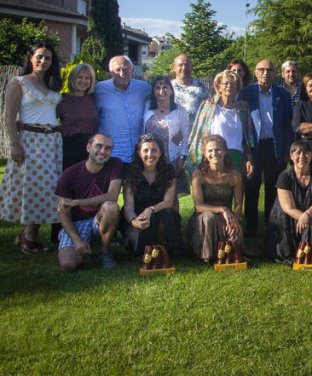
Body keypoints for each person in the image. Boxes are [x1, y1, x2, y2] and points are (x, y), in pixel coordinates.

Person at [1, 42, 63, 254]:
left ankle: (29, 236)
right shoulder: (18, 83)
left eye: (48, 58)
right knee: (32, 186)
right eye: (40, 57)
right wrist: (14, 144)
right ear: (30, 58)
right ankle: (29, 238)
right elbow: (8, 117)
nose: (43, 61)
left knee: (48, 189)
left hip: (51, 141)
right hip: (30, 140)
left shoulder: (52, 85)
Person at [238, 59, 293, 237]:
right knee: (252, 186)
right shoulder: (245, 93)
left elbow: (287, 124)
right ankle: (251, 227)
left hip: (274, 146)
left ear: (275, 73)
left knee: (273, 187)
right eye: (261, 69)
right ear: (255, 72)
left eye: (269, 70)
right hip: (254, 146)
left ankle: (271, 226)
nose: (265, 73)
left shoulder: (282, 94)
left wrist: (286, 152)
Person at [55, 133, 123, 271]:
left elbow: (112, 196)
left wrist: (76, 202)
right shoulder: (69, 174)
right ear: (88, 147)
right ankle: (85, 243)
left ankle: (105, 251)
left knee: (111, 207)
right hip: (77, 223)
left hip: (100, 218)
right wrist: (77, 240)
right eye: (99, 146)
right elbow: (63, 213)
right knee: (68, 265)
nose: (103, 151)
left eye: (108, 148)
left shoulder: (115, 164)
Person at [266, 140, 312, 264]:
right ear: (291, 156)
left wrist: (307, 214)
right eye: (298, 153)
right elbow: (288, 208)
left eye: (306, 153)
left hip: (310, 211)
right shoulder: (284, 177)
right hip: (287, 216)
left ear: (311, 156)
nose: (302, 157)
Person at [120, 134, 186, 257]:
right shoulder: (130, 172)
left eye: (154, 150)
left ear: (160, 153)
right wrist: (134, 221)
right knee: (140, 247)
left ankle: (167, 245)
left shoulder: (168, 171)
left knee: (167, 215)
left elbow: (168, 202)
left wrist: (150, 210)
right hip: (137, 216)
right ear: (139, 153)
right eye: (145, 150)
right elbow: (128, 205)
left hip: (160, 213)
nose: (150, 154)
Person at [187, 135, 246, 263]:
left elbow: (238, 205)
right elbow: (199, 206)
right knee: (209, 217)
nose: (214, 153)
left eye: (218, 150)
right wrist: (222, 209)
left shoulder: (235, 175)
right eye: (210, 150)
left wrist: (235, 220)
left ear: (225, 152)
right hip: (204, 215)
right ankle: (207, 254)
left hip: (226, 216)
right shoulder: (198, 174)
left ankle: (230, 253)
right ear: (204, 154)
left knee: (234, 229)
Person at [187, 70, 254, 175]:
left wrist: (249, 159)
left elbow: (248, 138)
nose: (229, 86)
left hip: (237, 158)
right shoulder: (208, 105)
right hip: (214, 157)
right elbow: (198, 133)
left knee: (236, 190)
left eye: (233, 83)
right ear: (218, 86)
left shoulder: (243, 108)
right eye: (226, 83)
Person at [95, 55, 151, 164]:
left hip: (138, 155)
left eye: (126, 69)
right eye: (117, 70)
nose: (122, 73)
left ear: (132, 70)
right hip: (111, 154)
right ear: (111, 72)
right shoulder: (100, 89)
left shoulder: (144, 88)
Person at [144, 76, 190, 189]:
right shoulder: (147, 108)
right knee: (151, 192)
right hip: (150, 158)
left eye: (165, 87)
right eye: (157, 87)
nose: (161, 91)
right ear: (153, 91)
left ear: (171, 91)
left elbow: (186, 136)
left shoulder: (180, 110)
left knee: (171, 194)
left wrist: (182, 156)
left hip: (172, 158)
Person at [57, 62, 99, 170]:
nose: (83, 81)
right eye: (80, 77)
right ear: (73, 78)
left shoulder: (93, 98)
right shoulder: (62, 99)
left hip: (90, 147)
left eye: (87, 78)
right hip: (69, 146)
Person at [171, 54, 209, 124]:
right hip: (172, 133)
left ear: (191, 67)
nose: (184, 68)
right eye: (180, 65)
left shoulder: (202, 88)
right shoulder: (167, 88)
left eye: (187, 65)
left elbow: (208, 113)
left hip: (194, 133)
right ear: (174, 68)